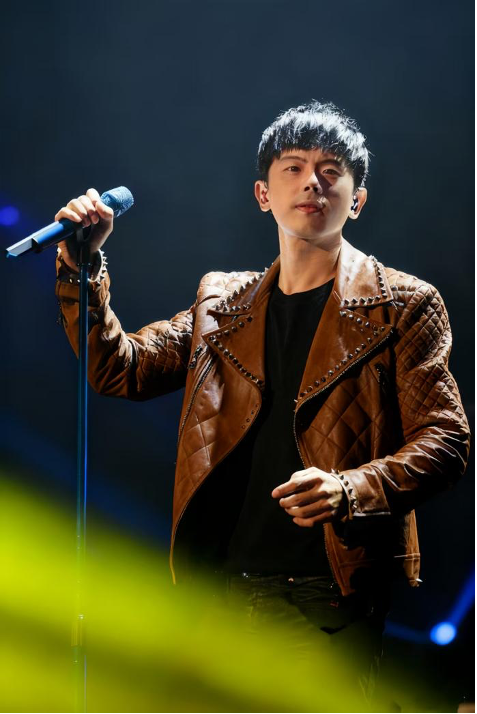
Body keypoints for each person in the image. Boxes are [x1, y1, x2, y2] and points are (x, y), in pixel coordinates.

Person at [54, 101, 470, 703]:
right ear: (262, 194)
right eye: (293, 167)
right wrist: (82, 266)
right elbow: (121, 369)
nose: (312, 182)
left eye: (331, 170)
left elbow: (447, 439)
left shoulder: (404, 305)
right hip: (215, 596)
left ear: (357, 200)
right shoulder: (221, 304)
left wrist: (350, 489)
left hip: (325, 600)